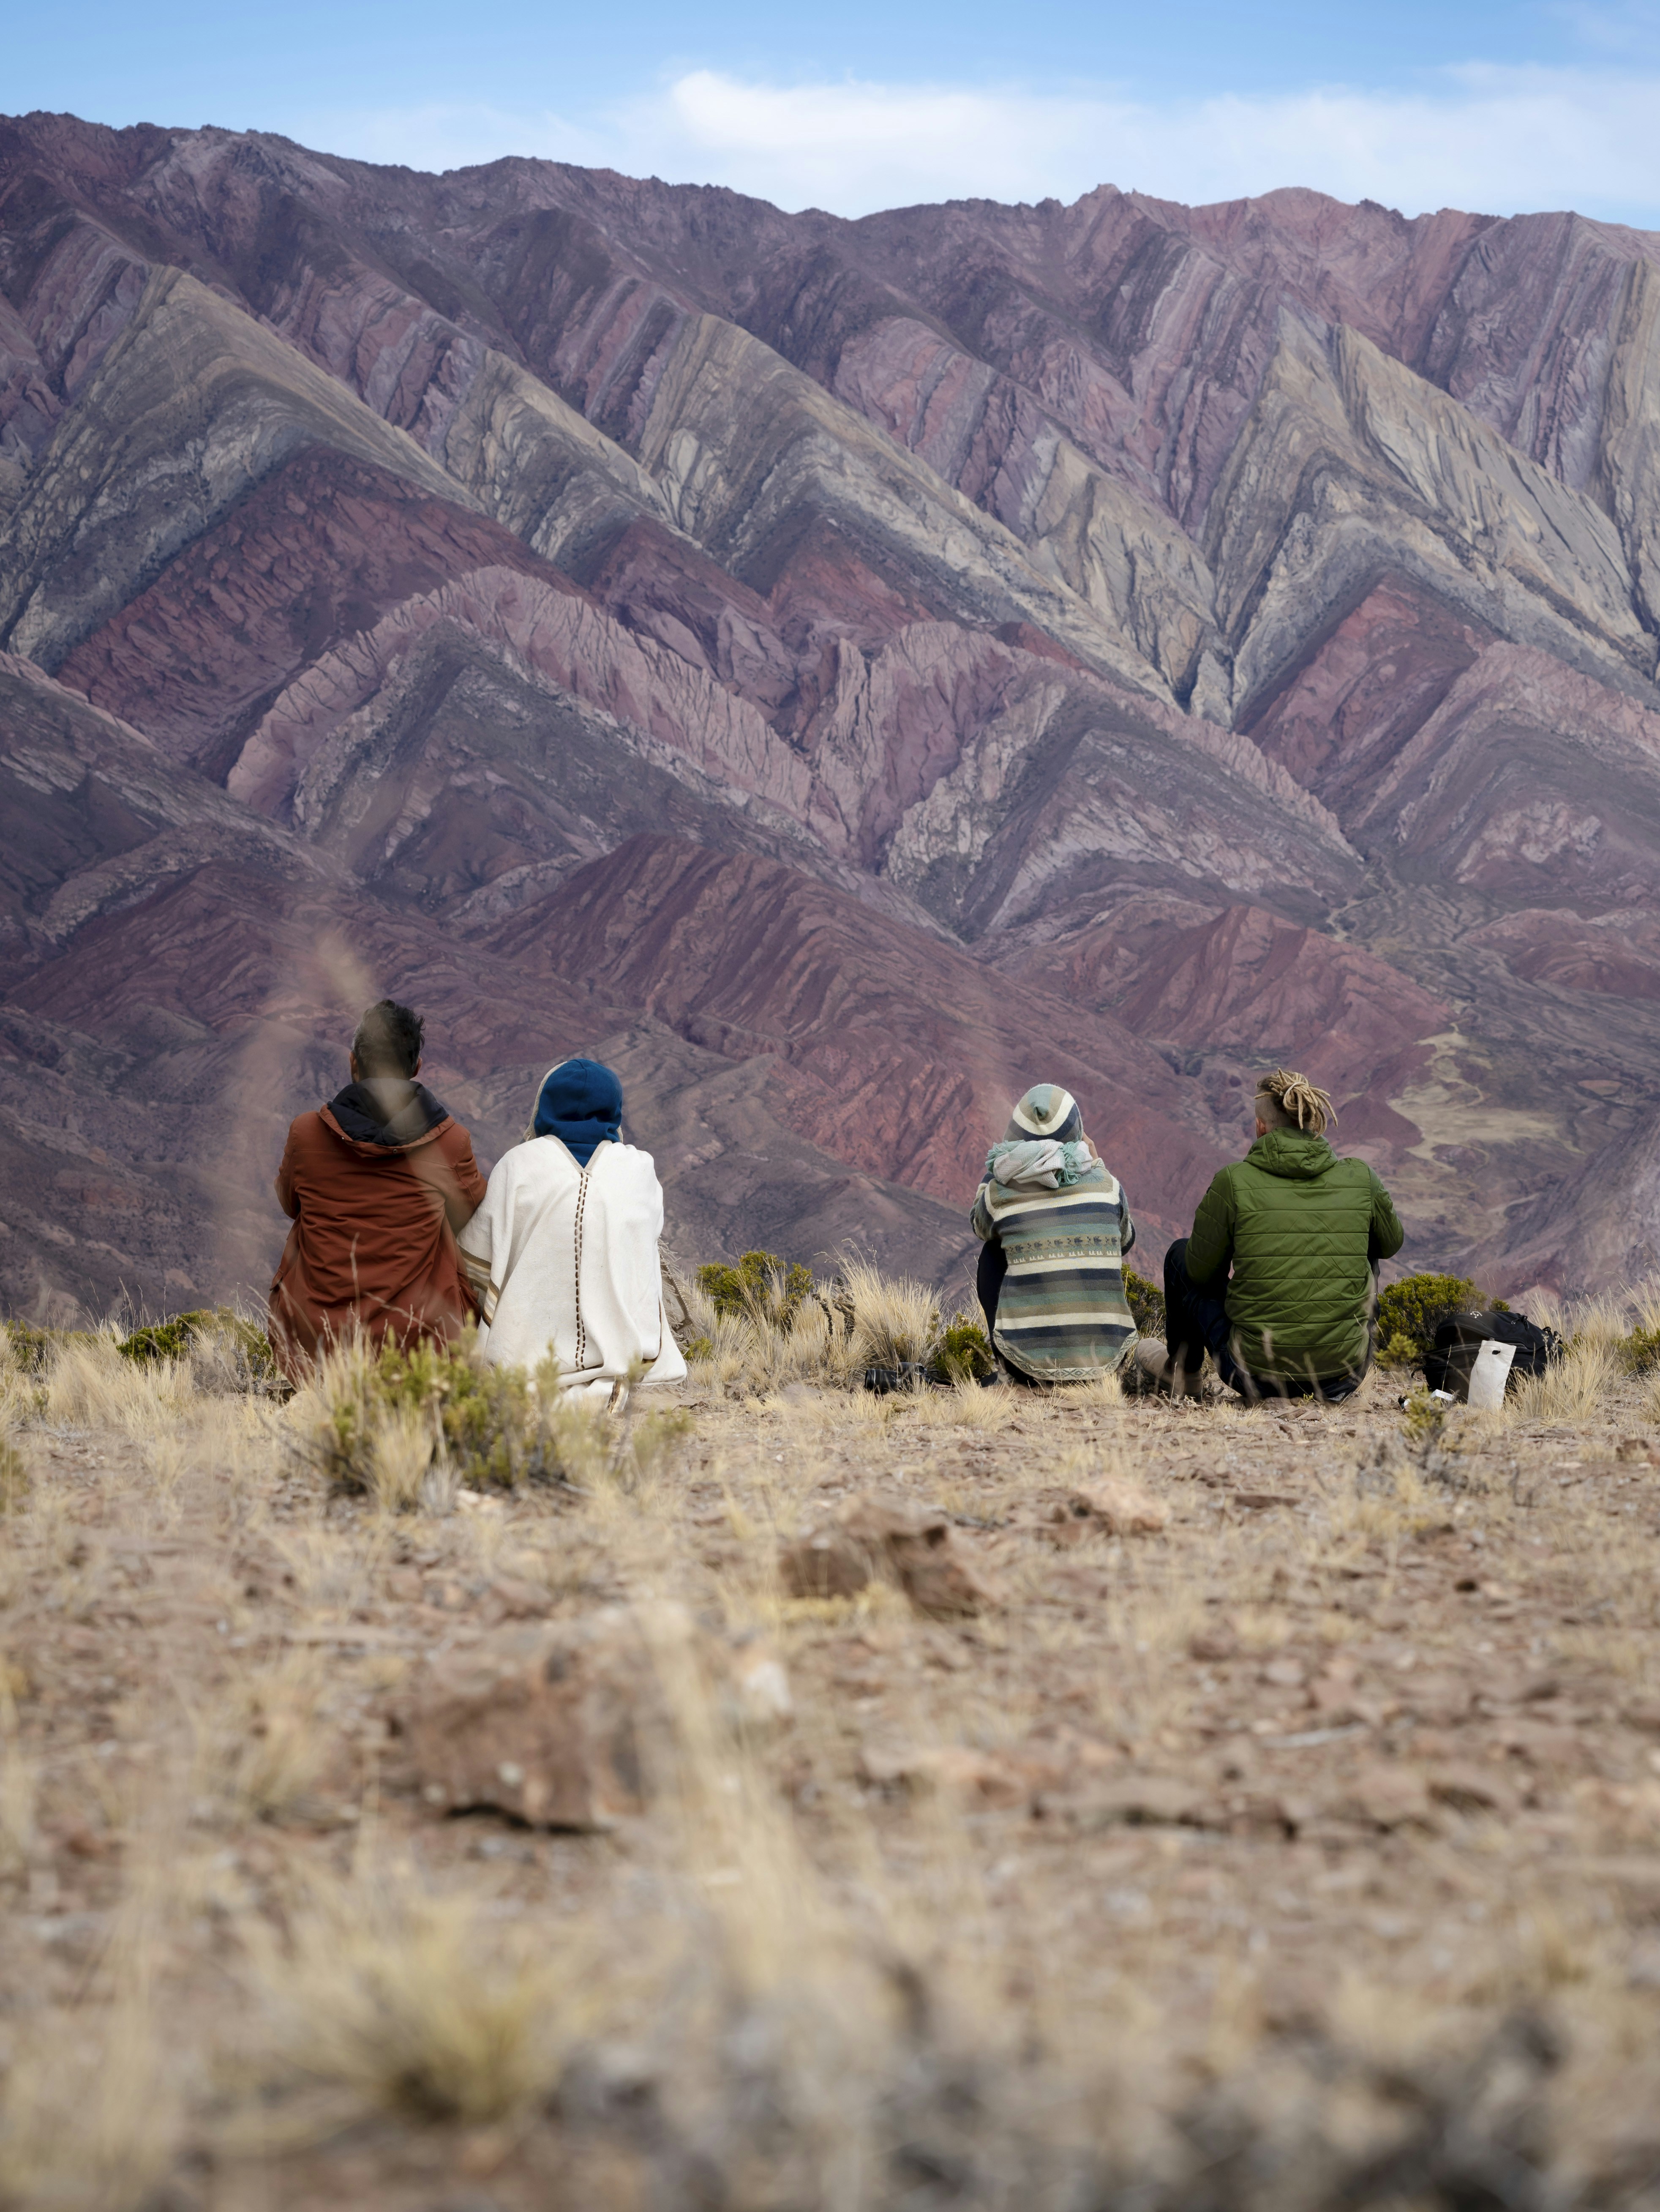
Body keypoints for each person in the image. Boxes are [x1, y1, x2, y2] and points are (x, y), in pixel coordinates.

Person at [1138, 1068, 1403, 1403]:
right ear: (1312, 1122)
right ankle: (1333, 1348)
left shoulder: (1233, 1181)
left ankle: (1182, 1374)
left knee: (1181, 1255)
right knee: (1368, 1241)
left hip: (1252, 1374)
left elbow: (1202, 1273)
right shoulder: (1361, 1178)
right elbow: (1391, 1244)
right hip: (1343, 1374)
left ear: (1261, 1126)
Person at [269, 1000, 486, 1381]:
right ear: (416, 1068)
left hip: (314, 1345)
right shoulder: (451, 1143)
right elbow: (469, 1215)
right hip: (419, 1346)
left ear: (354, 1063)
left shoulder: (305, 1133)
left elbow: (290, 1203)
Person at [458, 1057, 687, 1397]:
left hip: (523, 1361)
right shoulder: (639, 1170)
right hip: (630, 1356)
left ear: (545, 1106)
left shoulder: (517, 1166)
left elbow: (475, 1263)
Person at [970, 1082, 1138, 1385]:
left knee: (992, 1253)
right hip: (1107, 1363)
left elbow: (980, 1226)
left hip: (1027, 1369)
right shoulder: (1107, 1186)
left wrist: (997, 1173)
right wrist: (1096, 1164)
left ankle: (1007, 1371)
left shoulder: (1000, 1192)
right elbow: (1125, 1241)